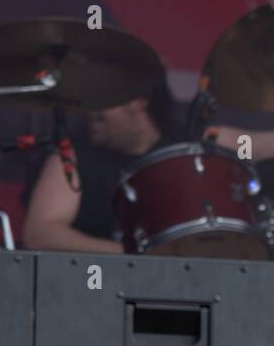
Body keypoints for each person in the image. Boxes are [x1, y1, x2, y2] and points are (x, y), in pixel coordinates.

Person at [23, 85, 177, 253]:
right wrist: (133, 254)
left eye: (102, 99)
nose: (91, 111)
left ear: (138, 102)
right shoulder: (74, 154)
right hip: (92, 275)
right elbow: (39, 234)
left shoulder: (183, 152)